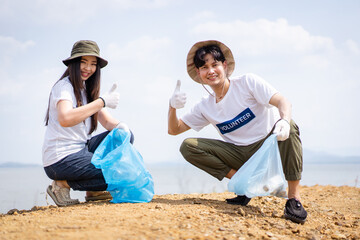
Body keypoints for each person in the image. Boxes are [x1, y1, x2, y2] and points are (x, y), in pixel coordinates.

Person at [168, 40, 307, 224]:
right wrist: (172, 107)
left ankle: (293, 199)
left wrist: (284, 120)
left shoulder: (247, 83)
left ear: (224, 66)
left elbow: (283, 102)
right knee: (188, 147)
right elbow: (174, 130)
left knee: (292, 125)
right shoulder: (204, 105)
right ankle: (245, 185)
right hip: (242, 154)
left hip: (271, 144)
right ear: (199, 74)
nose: (210, 71)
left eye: (215, 64)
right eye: (204, 67)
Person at [43, 40, 133, 206]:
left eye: (93, 64)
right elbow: (65, 118)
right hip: (60, 159)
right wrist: (102, 101)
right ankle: (62, 184)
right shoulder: (64, 87)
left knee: (125, 136)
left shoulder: (86, 90)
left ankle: (93, 191)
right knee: (117, 173)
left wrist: (122, 128)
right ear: (73, 64)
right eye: (83, 62)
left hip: (81, 149)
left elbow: (106, 120)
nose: (88, 68)